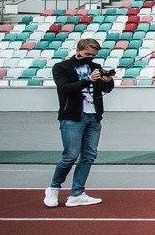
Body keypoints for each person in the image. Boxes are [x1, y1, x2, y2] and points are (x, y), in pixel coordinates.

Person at [45, 37, 114, 208]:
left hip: (94, 116)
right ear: (78, 50)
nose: (90, 57)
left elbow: (106, 89)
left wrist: (108, 80)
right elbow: (65, 88)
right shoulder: (61, 67)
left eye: (93, 55)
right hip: (71, 117)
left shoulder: (95, 67)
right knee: (70, 156)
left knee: (89, 156)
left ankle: (77, 193)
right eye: (87, 54)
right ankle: (53, 188)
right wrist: (88, 79)